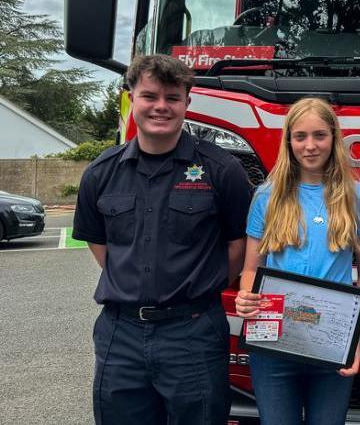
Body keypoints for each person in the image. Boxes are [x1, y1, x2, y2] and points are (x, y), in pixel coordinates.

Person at [72, 55, 254, 425]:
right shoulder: (100, 174)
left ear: (188, 102)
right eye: (149, 96)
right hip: (120, 335)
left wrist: (194, 287)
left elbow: (240, 247)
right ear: (131, 99)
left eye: (172, 97)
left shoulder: (222, 170)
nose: (160, 107)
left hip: (193, 331)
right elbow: (102, 248)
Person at [233, 97, 360, 424]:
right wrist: (247, 298)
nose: (310, 146)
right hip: (273, 343)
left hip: (331, 344)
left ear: (334, 138)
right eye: (300, 137)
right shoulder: (267, 195)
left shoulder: (357, 196)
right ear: (289, 141)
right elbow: (251, 270)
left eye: (319, 136)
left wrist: (350, 335)